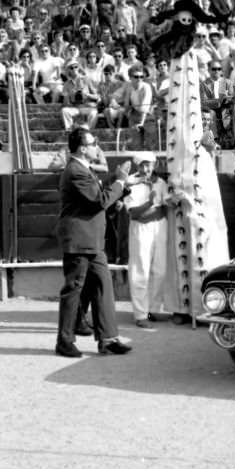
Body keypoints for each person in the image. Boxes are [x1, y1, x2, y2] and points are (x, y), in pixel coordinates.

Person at [55, 126, 137, 357]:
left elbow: (97, 199)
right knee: (73, 290)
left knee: (102, 287)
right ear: (82, 148)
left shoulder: (81, 169)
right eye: (93, 144)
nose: (96, 147)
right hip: (80, 240)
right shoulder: (76, 170)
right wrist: (119, 182)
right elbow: (98, 200)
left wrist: (121, 188)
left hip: (91, 240)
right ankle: (64, 341)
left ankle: (108, 339)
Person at [123, 153, 171, 328]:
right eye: (142, 165)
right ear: (137, 166)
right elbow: (134, 213)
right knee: (140, 269)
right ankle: (140, 314)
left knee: (160, 270)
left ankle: (153, 309)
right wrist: (150, 204)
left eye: (148, 165)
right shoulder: (130, 182)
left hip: (160, 227)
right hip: (140, 229)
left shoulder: (161, 182)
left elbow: (166, 206)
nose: (145, 169)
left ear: (154, 164)